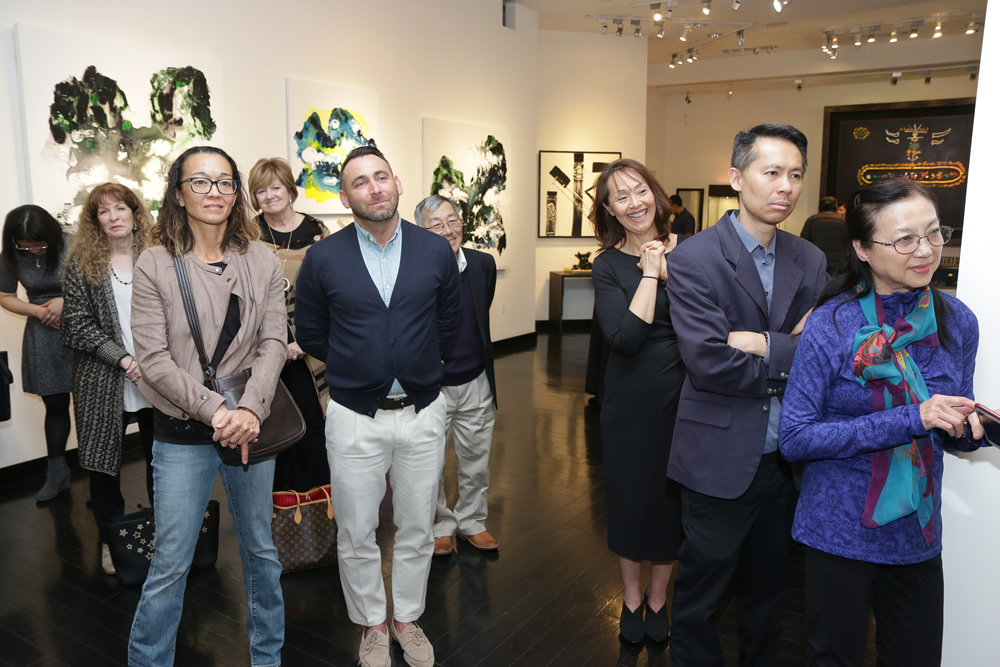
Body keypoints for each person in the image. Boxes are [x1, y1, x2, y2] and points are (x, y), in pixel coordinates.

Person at [779, 179, 983, 667]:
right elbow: (795, 437)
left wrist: (968, 430)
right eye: (904, 239)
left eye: (933, 233)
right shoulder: (832, 323)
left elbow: (950, 429)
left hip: (916, 534)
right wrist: (911, 417)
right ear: (862, 249)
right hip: (837, 531)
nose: (926, 250)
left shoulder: (957, 321)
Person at [665, 124, 828, 667]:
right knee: (701, 595)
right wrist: (790, 351)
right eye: (772, 172)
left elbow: (823, 355)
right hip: (719, 455)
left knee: (770, 592)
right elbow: (709, 363)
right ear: (736, 178)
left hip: (787, 456)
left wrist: (760, 343)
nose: (786, 186)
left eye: (796, 175)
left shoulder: (810, 258)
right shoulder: (694, 257)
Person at [295, 145, 460, 667]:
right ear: (346, 198)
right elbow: (311, 332)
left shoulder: (434, 250)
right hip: (353, 416)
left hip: (422, 411)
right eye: (360, 182)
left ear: (397, 183)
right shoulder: (323, 257)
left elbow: (449, 320)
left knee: (417, 526)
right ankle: (372, 623)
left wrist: (417, 360)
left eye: (381, 176)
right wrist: (360, 362)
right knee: (356, 530)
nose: (374, 187)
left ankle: (406, 619)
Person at [127, 146, 286, 667]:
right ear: (178, 193)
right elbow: (152, 358)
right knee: (170, 561)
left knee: (261, 552)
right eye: (199, 181)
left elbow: (273, 342)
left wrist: (250, 410)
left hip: (250, 427)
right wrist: (217, 411)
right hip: (183, 430)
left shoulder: (262, 259)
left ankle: (267, 657)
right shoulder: (155, 262)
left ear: (236, 193)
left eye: (224, 182)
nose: (213, 191)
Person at [590, 159, 685, 644]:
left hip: (681, 398)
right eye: (621, 197)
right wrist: (650, 274)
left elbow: (709, 322)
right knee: (628, 499)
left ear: (656, 194)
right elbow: (625, 339)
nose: (634, 203)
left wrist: (669, 271)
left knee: (669, 502)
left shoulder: (691, 252)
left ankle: (659, 597)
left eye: (640, 190)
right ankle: (630, 597)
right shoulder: (607, 265)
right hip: (627, 401)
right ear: (609, 209)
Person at [61, 183, 156, 576]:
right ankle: (111, 541)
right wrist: (122, 358)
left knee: (163, 462)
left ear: (135, 213)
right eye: (104, 211)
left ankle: (169, 536)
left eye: (120, 208)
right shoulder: (81, 264)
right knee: (103, 468)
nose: (114, 217)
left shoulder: (159, 256)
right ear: (95, 220)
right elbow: (75, 325)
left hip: (157, 376)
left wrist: (153, 360)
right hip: (101, 379)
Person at [413, 195, 500, 556]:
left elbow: (481, 310)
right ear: (421, 232)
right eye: (436, 225)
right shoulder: (414, 270)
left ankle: (472, 521)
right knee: (430, 462)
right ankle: (439, 525)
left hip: (476, 379)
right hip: (432, 385)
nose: (448, 230)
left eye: (453, 221)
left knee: (476, 459)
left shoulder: (482, 264)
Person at [248, 157, 330, 491]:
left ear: (290, 189)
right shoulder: (247, 234)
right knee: (271, 432)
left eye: (275, 187)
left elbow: (331, 293)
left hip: (307, 349)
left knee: (313, 430)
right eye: (261, 191)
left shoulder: (317, 233)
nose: (269, 196)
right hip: (260, 350)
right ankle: (277, 510)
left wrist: (303, 343)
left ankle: (320, 507)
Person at [0, 205, 74, 502]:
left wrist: (65, 301)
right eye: (26, 247)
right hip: (42, 332)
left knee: (91, 407)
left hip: (82, 326)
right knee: (54, 405)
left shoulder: (73, 243)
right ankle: (57, 474)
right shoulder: (10, 255)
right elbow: (5, 296)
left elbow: (99, 283)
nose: (33, 251)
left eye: (40, 245)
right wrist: (38, 311)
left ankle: (100, 478)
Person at [800, 195, 849, 273]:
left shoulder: (812, 220)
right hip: (838, 262)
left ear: (820, 207)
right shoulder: (843, 221)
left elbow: (803, 242)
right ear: (835, 208)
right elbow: (849, 243)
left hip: (816, 260)